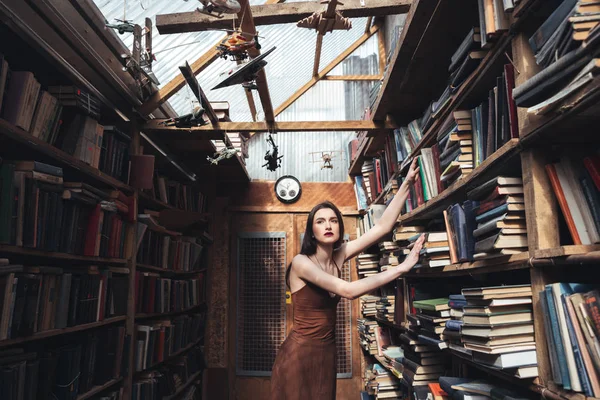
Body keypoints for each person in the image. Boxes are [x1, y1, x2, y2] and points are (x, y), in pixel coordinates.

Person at [270, 158, 425, 400]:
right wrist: (399, 269)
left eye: (333, 220)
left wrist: (406, 184)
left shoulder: (339, 254)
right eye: (320, 221)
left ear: (340, 228)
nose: (328, 225)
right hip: (299, 355)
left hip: (325, 353)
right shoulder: (302, 262)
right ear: (312, 231)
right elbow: (349, 290)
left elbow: (382, 228)